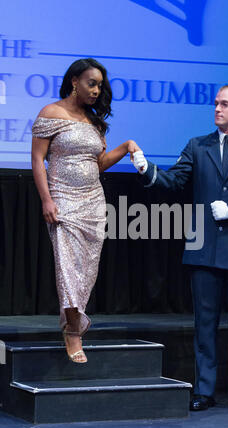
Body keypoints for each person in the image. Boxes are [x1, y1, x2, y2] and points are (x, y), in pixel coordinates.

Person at [132, 85, 228, 411]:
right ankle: (204, 390)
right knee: (205, 325)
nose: (217, 109)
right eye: (215, 104)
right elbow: (173, 181)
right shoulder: (198, 146)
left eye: (224, 104)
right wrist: (146, 169)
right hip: (204, 247)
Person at [31, 58, 141, 363]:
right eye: (91, 83)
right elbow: (38, 160)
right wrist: (46, 199)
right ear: (74, 81)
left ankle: (74, 323)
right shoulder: (51, 113)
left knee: (86, 271)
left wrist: (128, 145)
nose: (96, 90)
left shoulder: (93, 121)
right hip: (63, 199)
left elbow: (101, 163)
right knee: (67, 267)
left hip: (93, 203)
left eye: (100, 86)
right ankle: (74, 332)